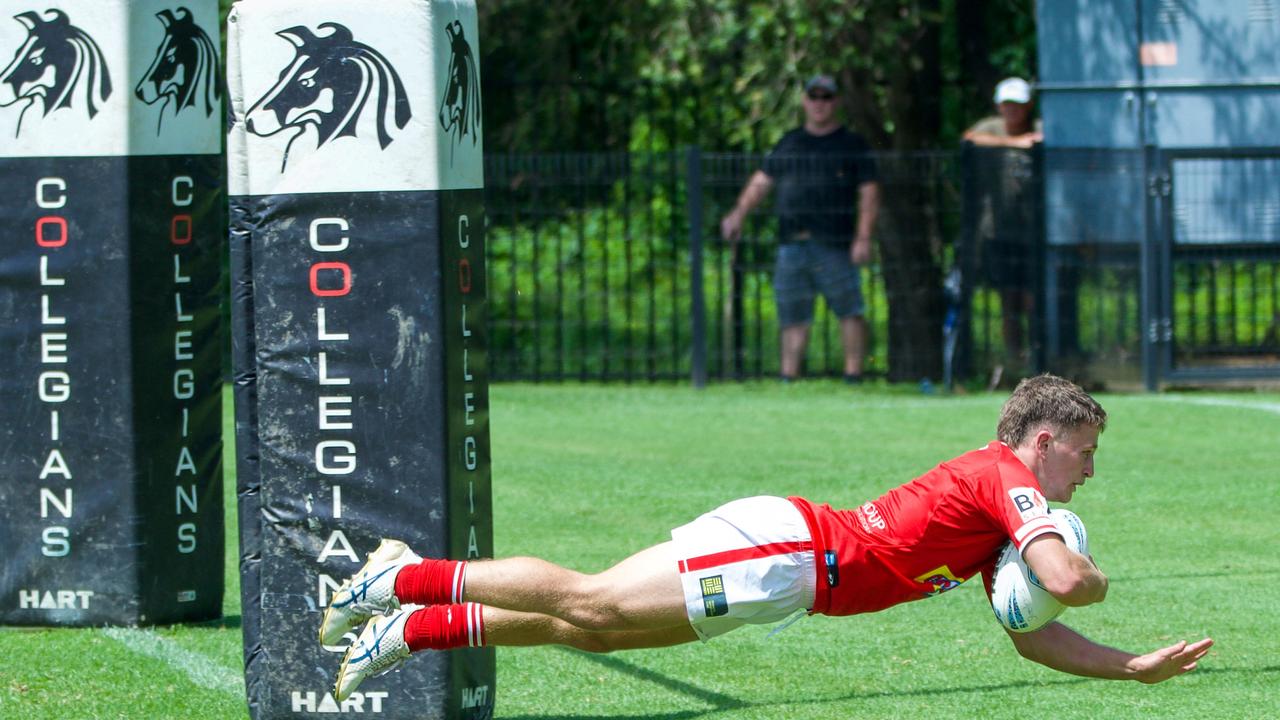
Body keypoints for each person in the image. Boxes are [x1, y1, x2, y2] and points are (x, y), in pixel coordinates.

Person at [322, 374, 1213, 701]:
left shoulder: (999, 521)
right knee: (590, 597)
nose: (1088, 474)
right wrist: (1081, 567)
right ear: (1045, 441)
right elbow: (1062, 574)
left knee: (589, 629)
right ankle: (406, 577)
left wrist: (1129, 665)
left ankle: (414, 628)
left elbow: (1033, 636)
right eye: (1085, 454)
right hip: (784, 549)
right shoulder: (1008, 482)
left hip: (791, 580)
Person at [719, 74, 881, 383]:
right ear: (805, 101)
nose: (819, 103)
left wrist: (863, 236)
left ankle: (853, 376)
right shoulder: (789, 142)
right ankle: (788, 378)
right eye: (814, 96)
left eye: (826, 97)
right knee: (792, 313)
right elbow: (761, 181)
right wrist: (738, 213)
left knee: (849, 309)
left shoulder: (852, 144)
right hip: (791, 242)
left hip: (835, 243)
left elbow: (869, 192)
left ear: (837, 102)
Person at [963, 77, 1044, 384]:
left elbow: (1046, 138)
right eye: (1007, 104)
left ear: (1028, 105)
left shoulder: (1039, 126)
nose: (1013, 110)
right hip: (999, 233)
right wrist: (1016, 144)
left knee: (1033, 300)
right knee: (1009, 301)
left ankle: (1038, 359)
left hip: (1034, 234)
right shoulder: (991, 128)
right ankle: (1014, 361)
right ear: (999, 105)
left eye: (1018, 104)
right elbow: (969, 139)